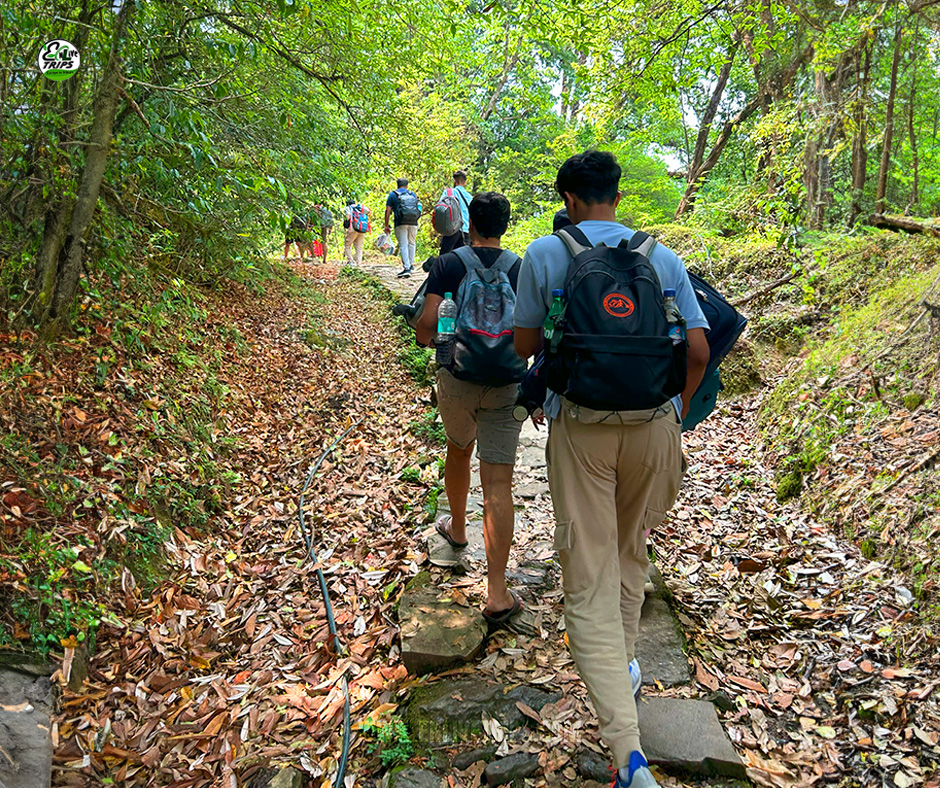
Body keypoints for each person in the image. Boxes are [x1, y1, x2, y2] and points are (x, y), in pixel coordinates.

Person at [512, 150, 710, 788]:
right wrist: (674, 413)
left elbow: (524, 344)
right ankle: (625, 663)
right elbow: (699, 347)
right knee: (630, 552)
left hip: (583, 428)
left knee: (589, 577)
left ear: (569, 197)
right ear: (617, 197)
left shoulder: (546, 253)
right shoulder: (660, 255)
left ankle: (628, 755)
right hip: (654, 428)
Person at [415, 192, 526, 627]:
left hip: (458, 377)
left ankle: (457, 530)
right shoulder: (520, 266)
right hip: (507, 380)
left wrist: (428, 340)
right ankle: (497, 592)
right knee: (499, 480)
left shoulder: (448, 263)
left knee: (459, 449)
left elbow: (427, 325)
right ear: (505, 223)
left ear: (469, 222)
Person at [384, 178, 422, 278]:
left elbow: (388, 210)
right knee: (412, 243)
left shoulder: (393, 195)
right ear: (407, 185)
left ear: (397, 185)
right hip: (413, 222)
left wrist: (386, 225)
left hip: (400, 223)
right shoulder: (412, 194)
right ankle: (411, 264)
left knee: (403, 244)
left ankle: (406, 268)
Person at [439, 170, 473, 254]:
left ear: (454, 181)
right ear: (465, 183)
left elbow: (440, 208)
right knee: (463, 260)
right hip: (466, 230)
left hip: (452, 229)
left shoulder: (448, 192)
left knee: (444, 257)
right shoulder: (469, 197)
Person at [343, 199, 369, 266]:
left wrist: (345, 224)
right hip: (362, 228)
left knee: (347, 244)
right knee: (359, 247)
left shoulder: (349, 208)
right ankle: (358, 263)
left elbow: (348, 217)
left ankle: (350, 261)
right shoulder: (361, 208)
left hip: (353, 228)